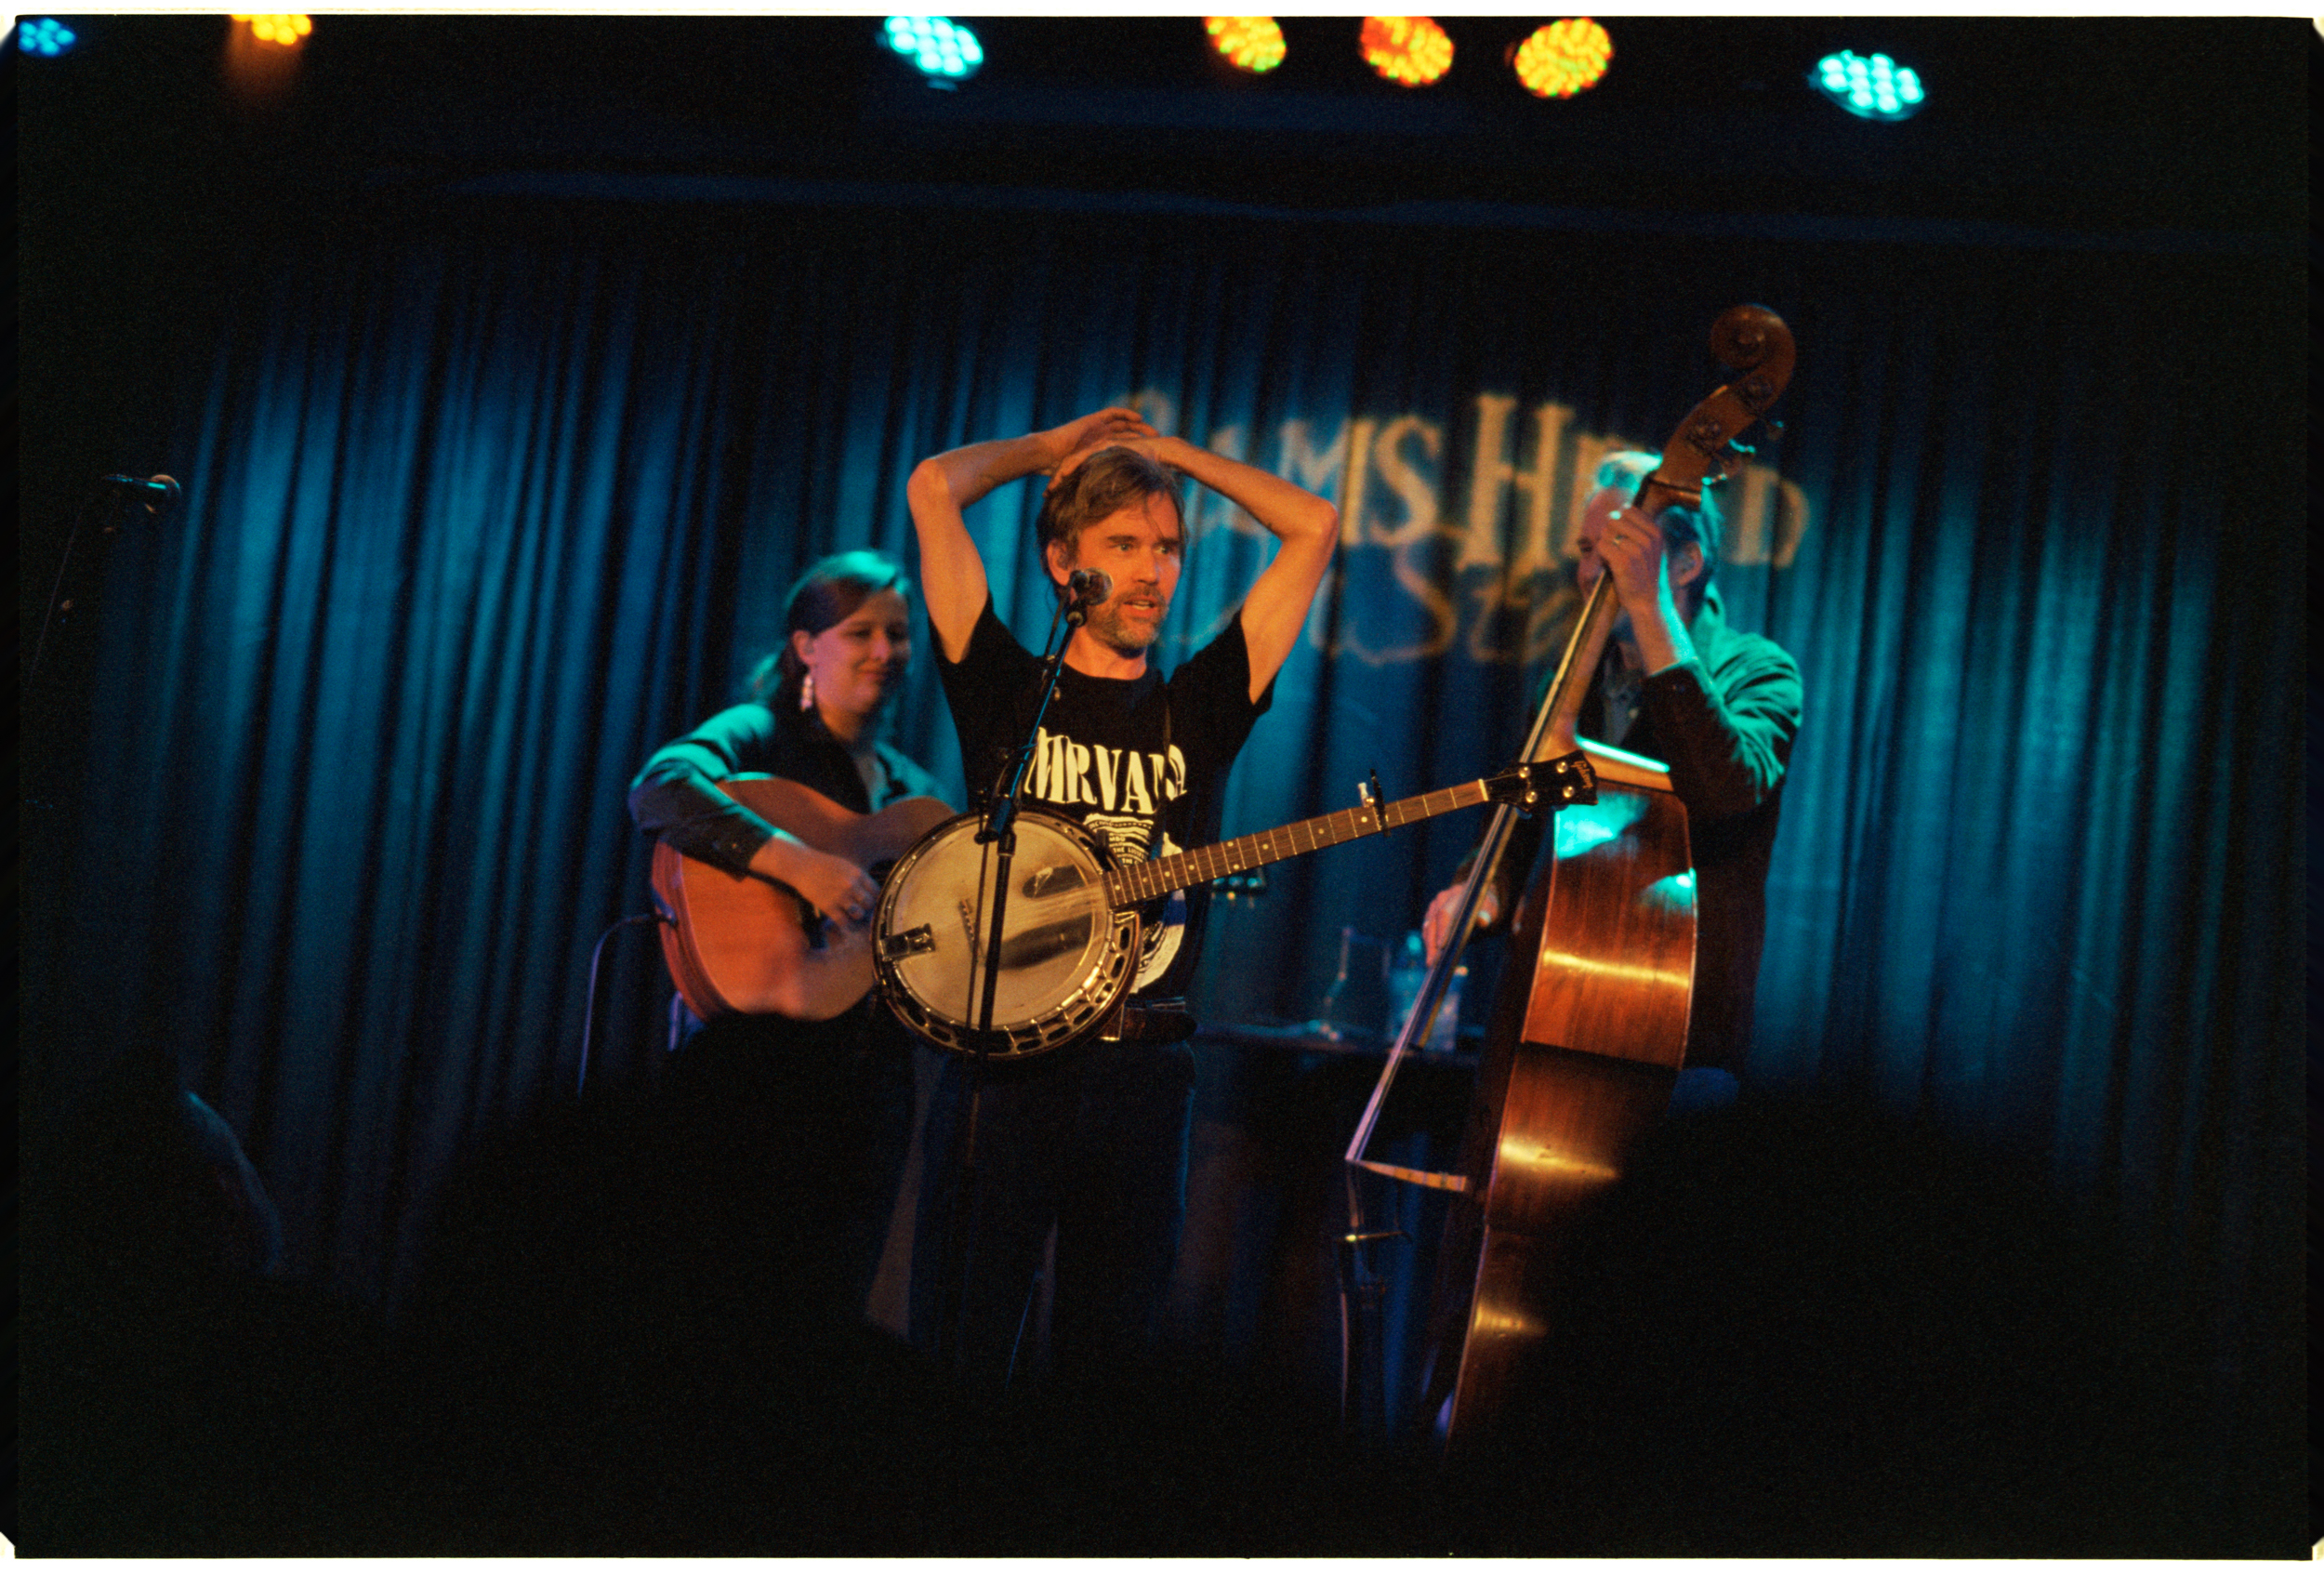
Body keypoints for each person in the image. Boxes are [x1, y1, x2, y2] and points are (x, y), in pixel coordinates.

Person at [903, 405, 1338, 1389]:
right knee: (959, 1352)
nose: (1152, 572)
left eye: (1167, 548)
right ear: (1062, 562)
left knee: (1107, 1372)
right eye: (1125, 546)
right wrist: (1054, 451)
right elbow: (933, 485)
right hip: (1007, 1073)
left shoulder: (1201, 704)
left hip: (1144, 1073)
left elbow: (1312, 524)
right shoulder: (1005, 685)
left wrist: (1166, 453)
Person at [627, 549, 951, 1323]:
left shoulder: (916, 795)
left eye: (899, 634)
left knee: (830, 1300)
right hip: (753, 1071)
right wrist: (800, 866)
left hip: (870, 1086)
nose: (885, 651)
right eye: (861, 632)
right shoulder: (760, 734)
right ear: (806, 645)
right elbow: (660, 790)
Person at [1421, 450, 1802, 1105]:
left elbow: (1722, 791)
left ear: (1684, 564)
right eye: (1585, 551)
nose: (1590, 571)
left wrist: (1649, 610)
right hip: (1554, 1012)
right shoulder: (1569, 684)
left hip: (1680, 1035)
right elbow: (1516, 829)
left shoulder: (1759, 672)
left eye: (1619, 550)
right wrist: (1479, 893)